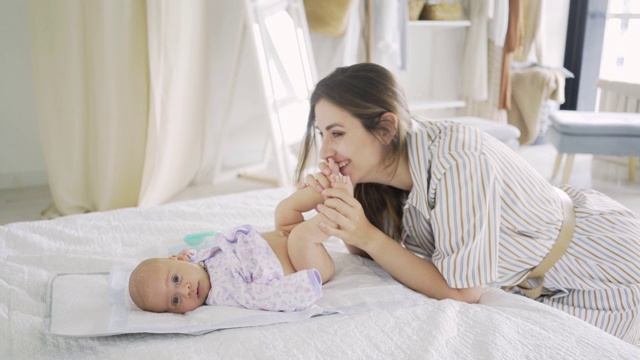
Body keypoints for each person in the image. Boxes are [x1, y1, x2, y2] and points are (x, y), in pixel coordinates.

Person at [297, 62, 640, 343]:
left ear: (386, 128)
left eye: (337, 133)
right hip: (539, 282)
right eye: (322, 134)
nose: (326, 150)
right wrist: (342, 208)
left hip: (605, 267)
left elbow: (462, 293)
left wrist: (367, 234)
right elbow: (370, 253)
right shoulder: (384, 175)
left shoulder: (457, 161)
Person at [128, 171, 354, 314]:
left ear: (177, 259)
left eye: (176, 279)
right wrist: (302, 289)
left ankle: (326, 189)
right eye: (175, 300)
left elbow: (200, 248)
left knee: (284, 210)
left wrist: (190, 255)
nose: (186, 290)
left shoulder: (199, 259)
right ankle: (342, 207)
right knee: (301, 237)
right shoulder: (222, 294)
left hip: (283, 233)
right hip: (305, 261)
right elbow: (262, 298)